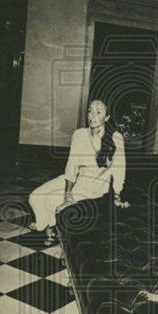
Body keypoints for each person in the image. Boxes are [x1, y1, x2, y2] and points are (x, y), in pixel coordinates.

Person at [29, 99, 129, 245]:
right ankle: (45, 223)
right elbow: (72, 165)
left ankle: (53, 230)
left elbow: (120, 169)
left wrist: (117, 195)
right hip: (77, 179)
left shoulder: (115, 138)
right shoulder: (80, 134)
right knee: (35, 197)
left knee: (50, 200)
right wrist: (67, 195)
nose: (92, 116)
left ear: (107, 117)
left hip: (94, 187)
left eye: (98, 112)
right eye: (90, 111)